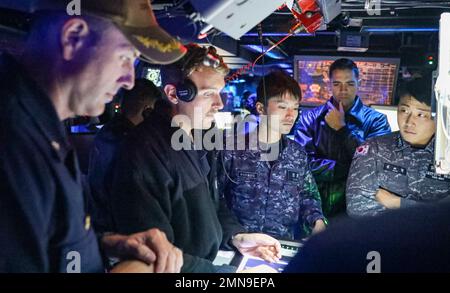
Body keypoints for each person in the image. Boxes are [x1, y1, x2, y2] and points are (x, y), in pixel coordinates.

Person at [0, 0, 185, 273]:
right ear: (73, 37)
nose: (129, 80)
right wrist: (133, 270)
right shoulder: (15, 143)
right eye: (124, 57)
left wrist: (106, 244)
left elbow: (47, 241)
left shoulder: (43, 124)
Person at [109, 44, 281, 273]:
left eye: (220, 92)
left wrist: (237, 236)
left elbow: (211, 206)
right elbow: (155, 257)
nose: (220, 104)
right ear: (173, 94)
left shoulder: (198, 138)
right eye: (209, 93)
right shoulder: (142, 153)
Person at [218, 71, 326, 240]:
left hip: (281, 246)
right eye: (282, 107)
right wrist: (236, 235)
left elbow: (308, 196)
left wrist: (317, 221)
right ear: (261, 108)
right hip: (240, 244)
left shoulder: (297, 154)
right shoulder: (231, 149)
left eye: (295, 108)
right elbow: (215, 199)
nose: (291, 116)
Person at [294, 58, 391, 218]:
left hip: (359, 208)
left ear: (358, 83)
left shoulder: (376, 120)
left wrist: (342, 129)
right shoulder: (310, 118)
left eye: (350, 84)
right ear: (329, 84)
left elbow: (376, 166)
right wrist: (346, 169)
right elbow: (301, 164)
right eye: (337, 84)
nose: (343, 90)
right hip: (316, 206)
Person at [346, 79, 450, 218]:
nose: (409, 122)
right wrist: (428, 213)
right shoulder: (373, 149)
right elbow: (357, 208)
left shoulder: (445, 156)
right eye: (404, 110)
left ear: (441, 116)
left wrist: (397, 203)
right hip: (384, 239)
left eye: (421, 114)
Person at [88, 78, 162, 233]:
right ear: (147, 109)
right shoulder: (132, 141)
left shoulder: (107, 131)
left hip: (101, 221)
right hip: (118, 227)